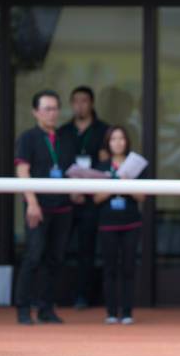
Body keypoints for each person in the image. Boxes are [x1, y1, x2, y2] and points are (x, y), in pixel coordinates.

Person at [14, 90, 77, 325]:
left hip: (62, 207)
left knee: (55, 259)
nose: (52, 113)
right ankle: (22, 308)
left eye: (55, 108)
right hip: (38, 207)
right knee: (33, 255)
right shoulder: (28, 138)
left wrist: (76, 192)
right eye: (47, 109)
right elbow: (22, 172)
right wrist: (31, 202)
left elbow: (71, 171)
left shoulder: (65, 139)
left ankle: (46, 307)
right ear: (35, 112)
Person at [59, 86, 109, 309]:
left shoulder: (103, 130)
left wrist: (88, 188)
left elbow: (105, 164)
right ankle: (55, 296)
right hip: (67, 199)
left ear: (92, 103)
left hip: (92, 199)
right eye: (76, 101)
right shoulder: (63, 132)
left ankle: (83, 296)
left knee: (87, 250)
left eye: (84, 101)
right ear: (71, 104)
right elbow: (59, 163)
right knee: (58, 247)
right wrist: (71, 189)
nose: (80, 105)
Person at [93, 126, 145, 325]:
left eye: (121, 138)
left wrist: (127, 183)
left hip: (131, 222)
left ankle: (127, 312)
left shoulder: (136, 165)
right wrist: (112, 184)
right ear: (108, 142)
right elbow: (96, 198)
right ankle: (111, 312)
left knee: (129, 267)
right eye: (113, 139)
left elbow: (142, 196)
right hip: (108, 223)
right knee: (110, 268)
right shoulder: (101, 166)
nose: (118, 142)